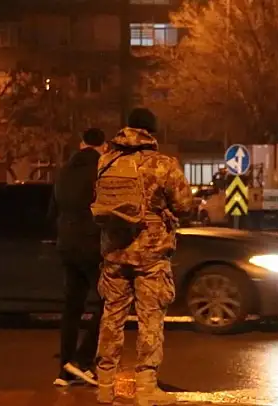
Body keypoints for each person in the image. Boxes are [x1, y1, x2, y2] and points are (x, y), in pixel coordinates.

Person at [92, 108, 193, 405]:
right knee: (150, 320)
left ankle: (105, 385)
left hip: (114, 251)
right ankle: (146, 388)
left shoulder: (106, 161)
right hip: (150, 253)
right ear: (152, 131)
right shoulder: (162, 164)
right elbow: (184, 205)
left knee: (111, 317)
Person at [48, 127, 106, 387]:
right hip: (92, 246)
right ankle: (82, 360)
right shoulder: (101, 170)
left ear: (82, 143)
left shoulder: (63, 171)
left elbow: (52, 212)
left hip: (66, 245)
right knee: (111, 301)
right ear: (103, 146)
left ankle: (64, 370)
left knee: (72, 307)